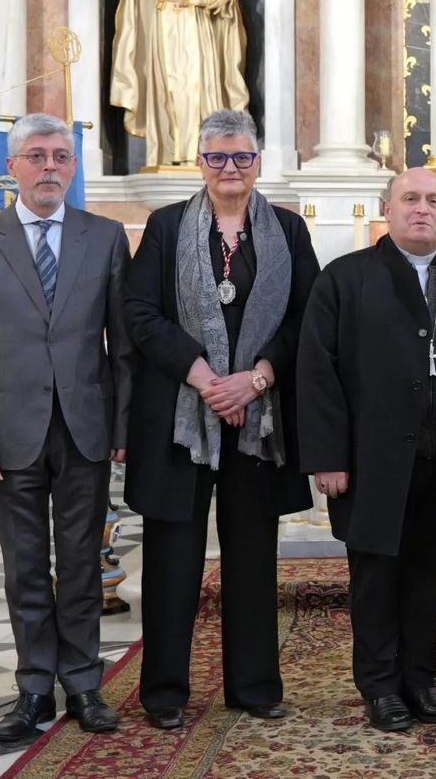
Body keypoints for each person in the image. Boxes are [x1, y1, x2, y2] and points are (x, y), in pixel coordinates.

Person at [0, 113, 133, 742]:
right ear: (12, 166)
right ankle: (32, 691)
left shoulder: (105, 237)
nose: (50, 167)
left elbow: (123, 346)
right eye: (38, 156)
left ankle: (83, 684)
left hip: (84, 429)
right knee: (24, 567)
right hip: (7, 433)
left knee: (81, 563)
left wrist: (122, 427)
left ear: (72, 167)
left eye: (60, 157)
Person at [123, 109, 318, 730]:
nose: (229, 168)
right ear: (200, 162)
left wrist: (256, 378)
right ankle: (164, 692)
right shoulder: (166, 226)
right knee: (172, 558)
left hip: (259, 419)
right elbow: (140, 312)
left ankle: (254, 687)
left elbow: (307, 317)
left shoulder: (288, 230)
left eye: (241, 157)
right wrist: (206, 378)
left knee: (253, 556)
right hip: (184, 416)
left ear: (257, 162)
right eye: (217, 157)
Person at [297, 167, 436, 733]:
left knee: (429, 578)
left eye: (434, 200)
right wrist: (328, 456)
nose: (422, 209)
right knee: (377, 578)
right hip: (371, 460)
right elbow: (317, 372)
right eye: (410, 198)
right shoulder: (345, 279)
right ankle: (380, 685)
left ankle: (420, 679)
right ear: (387, 209)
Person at [107, 0, 250, 167]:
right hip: (164, 26)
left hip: (198, 26)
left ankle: (198, 154)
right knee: (165, 91)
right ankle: (165, 155)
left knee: (197, 91)